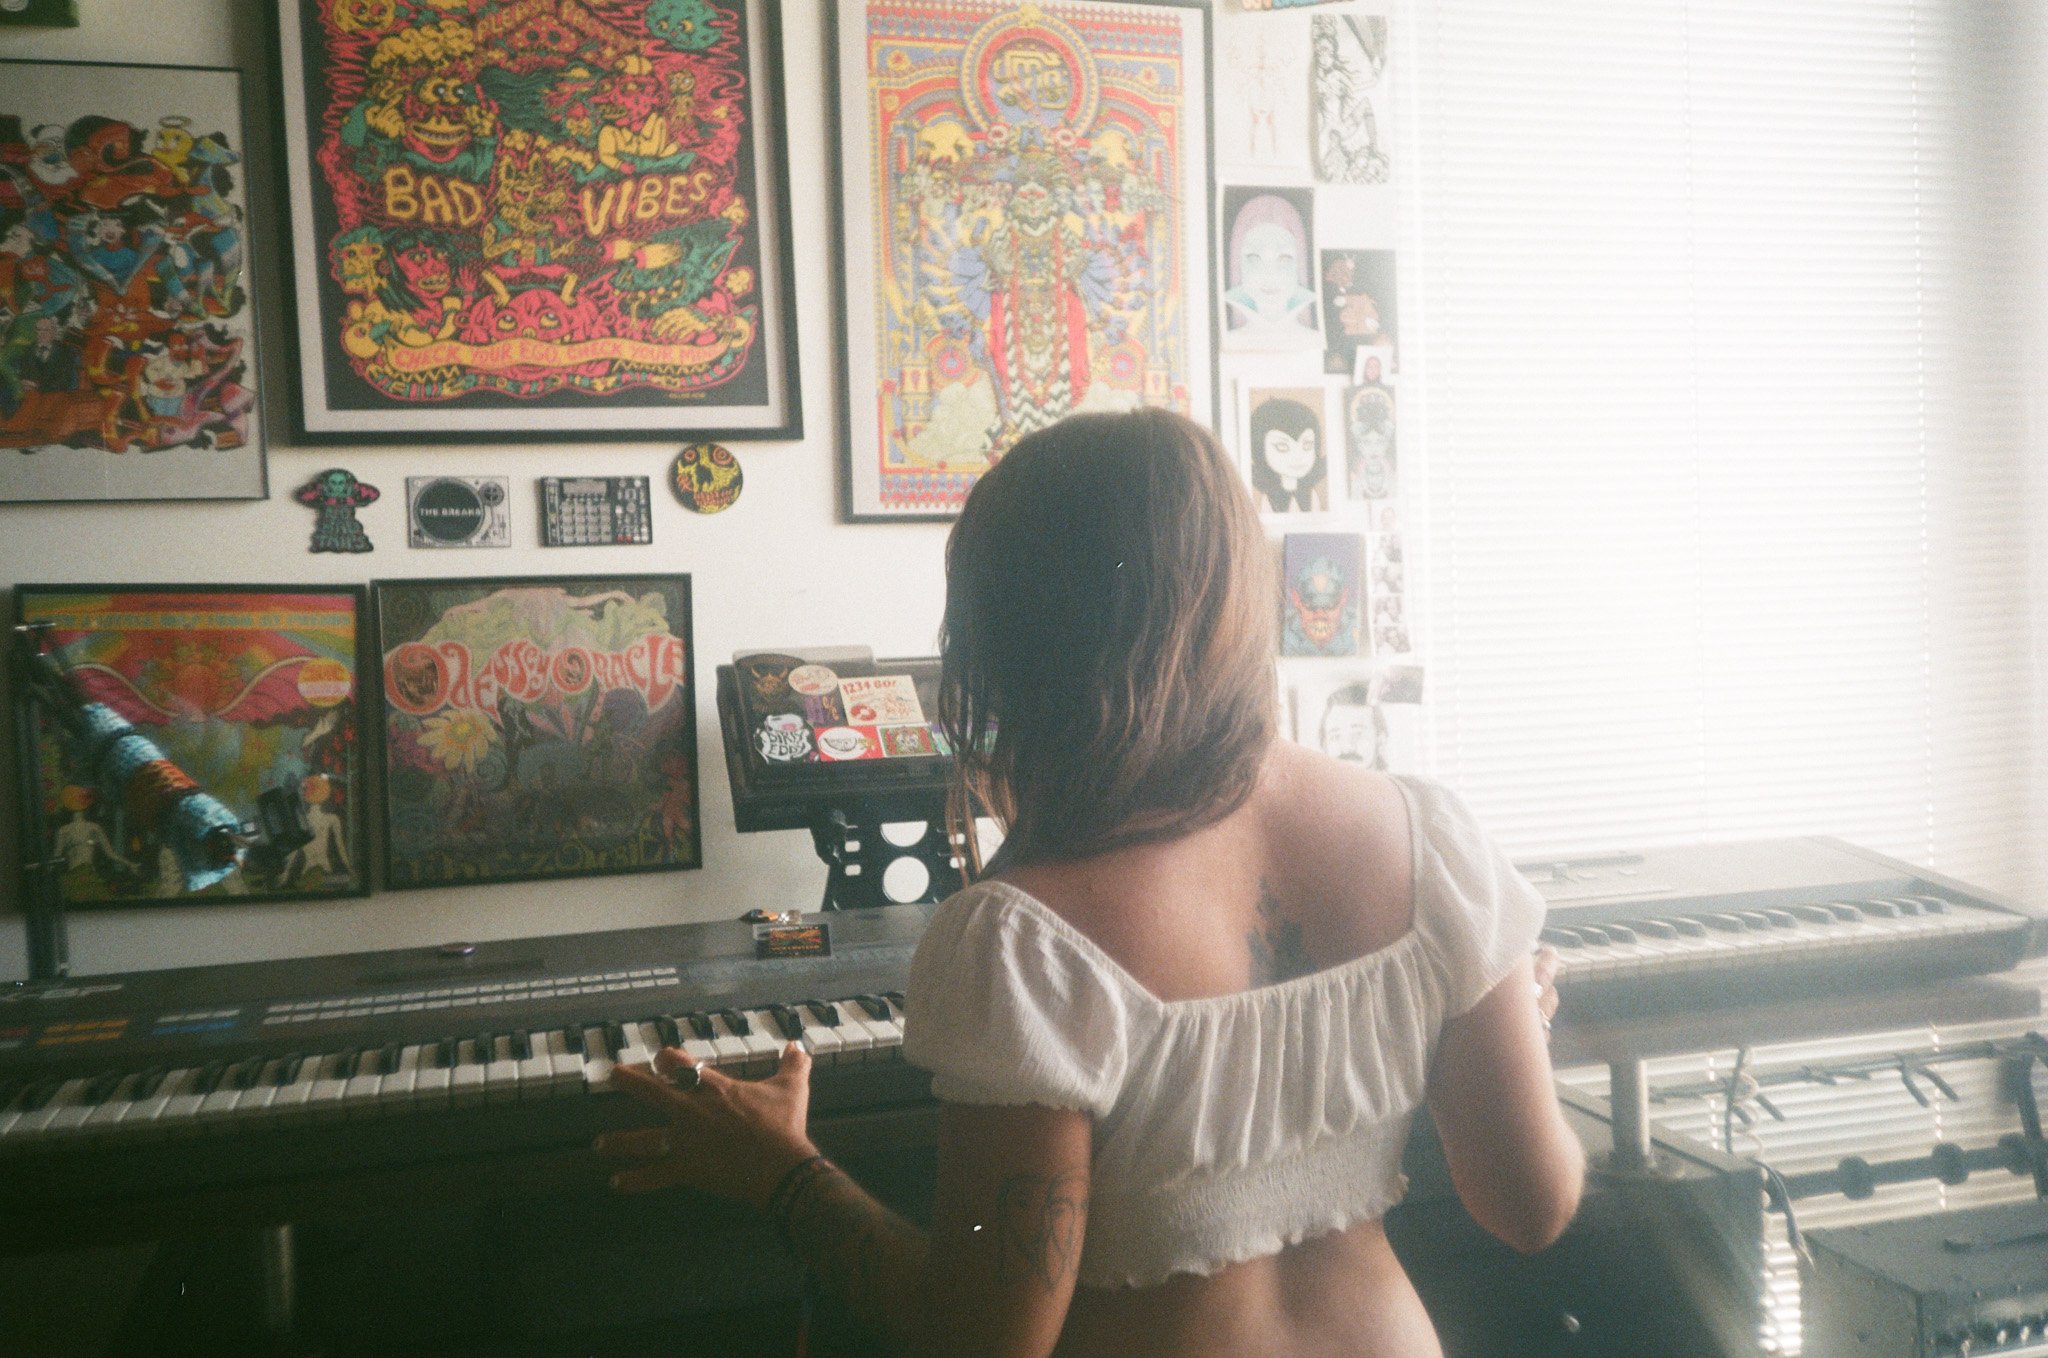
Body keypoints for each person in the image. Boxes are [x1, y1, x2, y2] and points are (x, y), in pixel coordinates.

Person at [602, 408, 1582, 1357]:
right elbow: (1532, 1208)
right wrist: (1513, 1036)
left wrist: (781, 1170)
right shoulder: (1433, 837)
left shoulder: (1020, 935)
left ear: (1014, 636)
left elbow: (978, 1343)